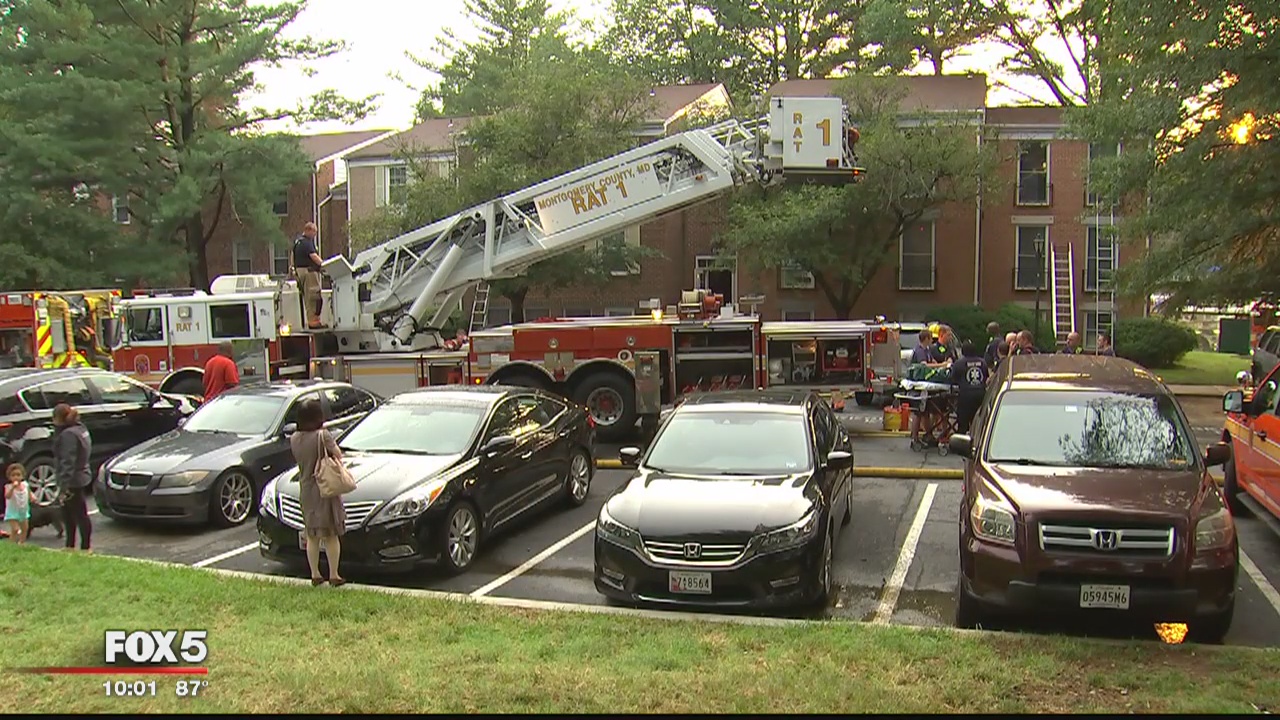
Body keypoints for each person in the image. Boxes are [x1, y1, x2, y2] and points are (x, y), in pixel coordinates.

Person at [290, 398, 346, 587]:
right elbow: (337, 454)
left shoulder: (294, 438)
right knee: (331, 534)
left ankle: (314, 574)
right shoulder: (323, 436)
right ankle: (334, 574)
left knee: (312, 534)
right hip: (324, 488)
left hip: (305, 488)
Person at [52, 403, 92, 552]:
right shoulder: (81, 429)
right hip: (82, 475)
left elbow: (67, 460)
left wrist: (63, 487)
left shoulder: (67, 435)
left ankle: (84, 547)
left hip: (72, 480)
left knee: (78, 514)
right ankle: (70, 545)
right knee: (69, 513)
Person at [950, 341, 990, 434]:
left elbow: (953, 379)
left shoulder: (959, 363)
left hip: (965, 395)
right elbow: (985, 377)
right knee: (979, 421)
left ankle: (961, 443)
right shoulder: (982, 362)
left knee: (963, 422)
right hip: (980, 394)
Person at [292, 221, 325, 329]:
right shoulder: (307, 243)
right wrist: (325, 265)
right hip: (308, 273)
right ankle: (313, 322)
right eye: (314, 231)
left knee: (308, 297)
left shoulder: (297, 242)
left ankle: (313, 320)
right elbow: (314, 256)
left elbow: (293, 259)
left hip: (300, 272)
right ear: (308, 230)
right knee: (313, 297)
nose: (315, 234)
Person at [4, 463, 29, 543]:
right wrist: (12, 488)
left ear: (22, 476)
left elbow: (29, 492)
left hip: (23, 511)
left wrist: (32, 497)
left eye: (18, 475)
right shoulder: (8, 486)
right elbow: (7, 496)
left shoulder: (25, 485)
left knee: (25, 528)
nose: (16, 477)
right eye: (13, 475)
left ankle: (22, 543)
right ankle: (11, 544)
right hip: (12, 512)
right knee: (15, 529)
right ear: (9, 477)